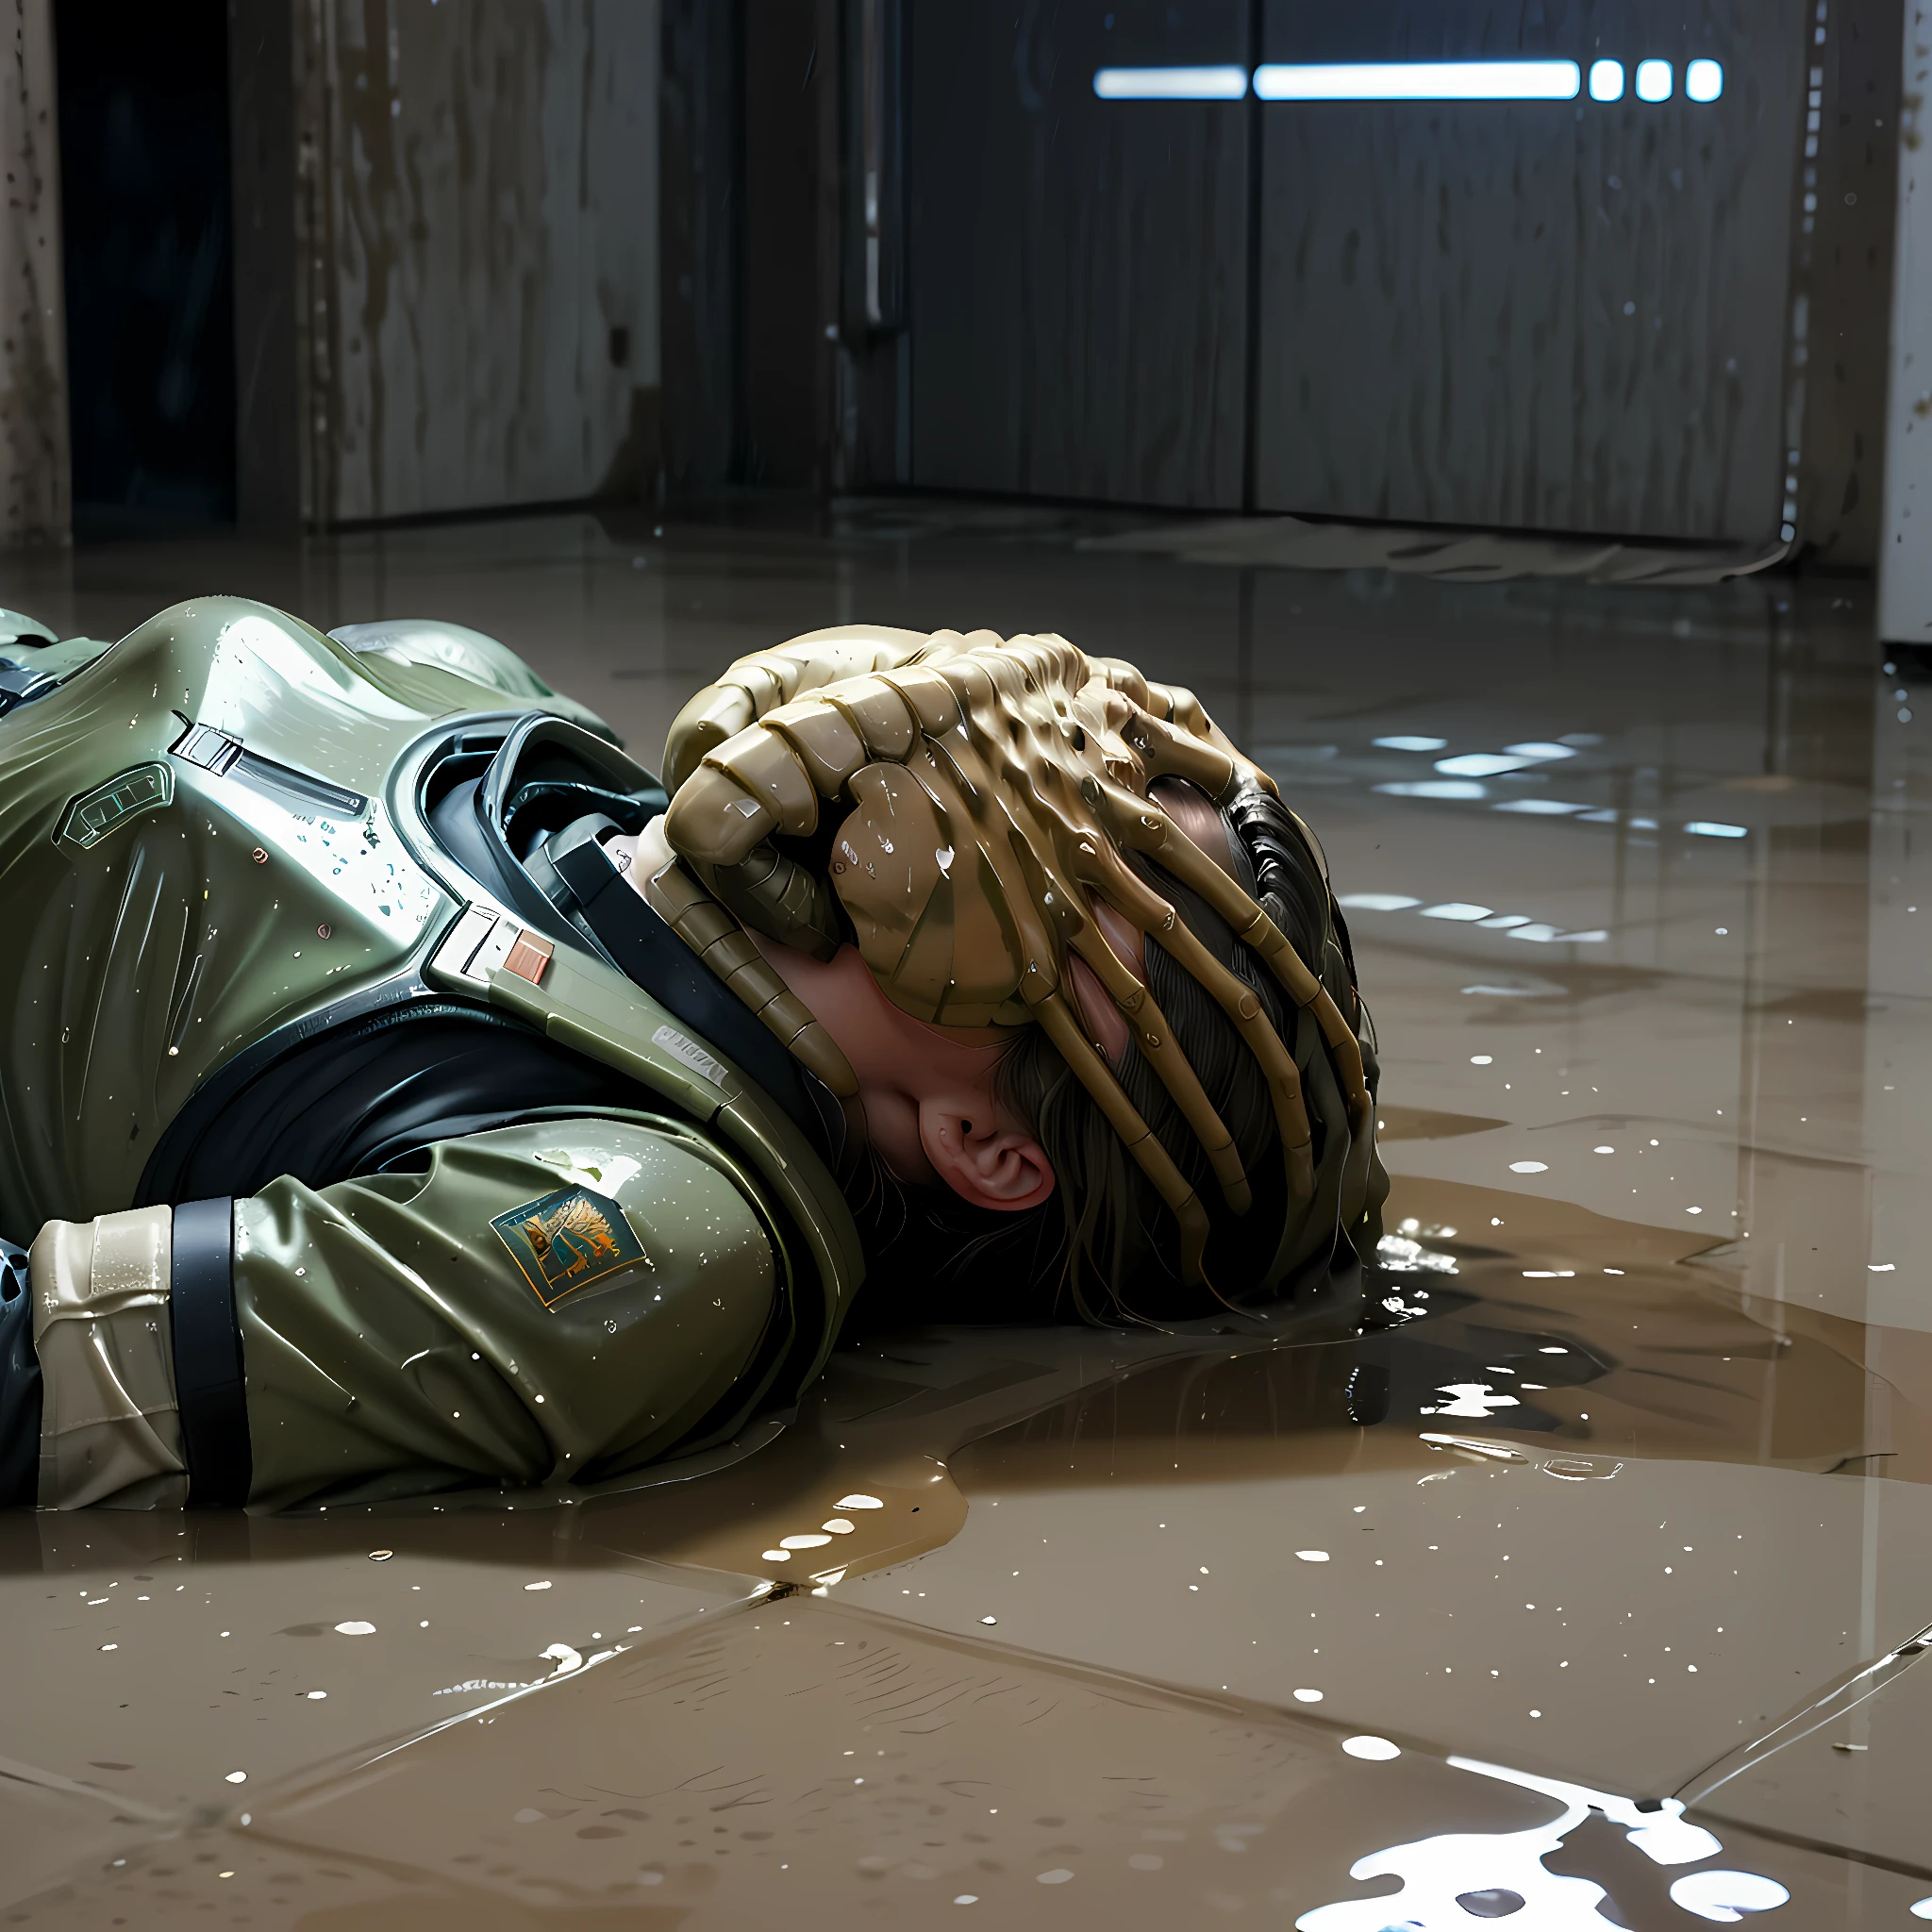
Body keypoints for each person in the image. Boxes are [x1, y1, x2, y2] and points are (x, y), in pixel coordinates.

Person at [0, 598, 1385, 1512]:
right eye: (1122, 777)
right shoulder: (541, 750)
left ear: (992, 1148)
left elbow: (37, 1370)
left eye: (1100, 889)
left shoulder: (655, 1228)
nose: (1056, 793)